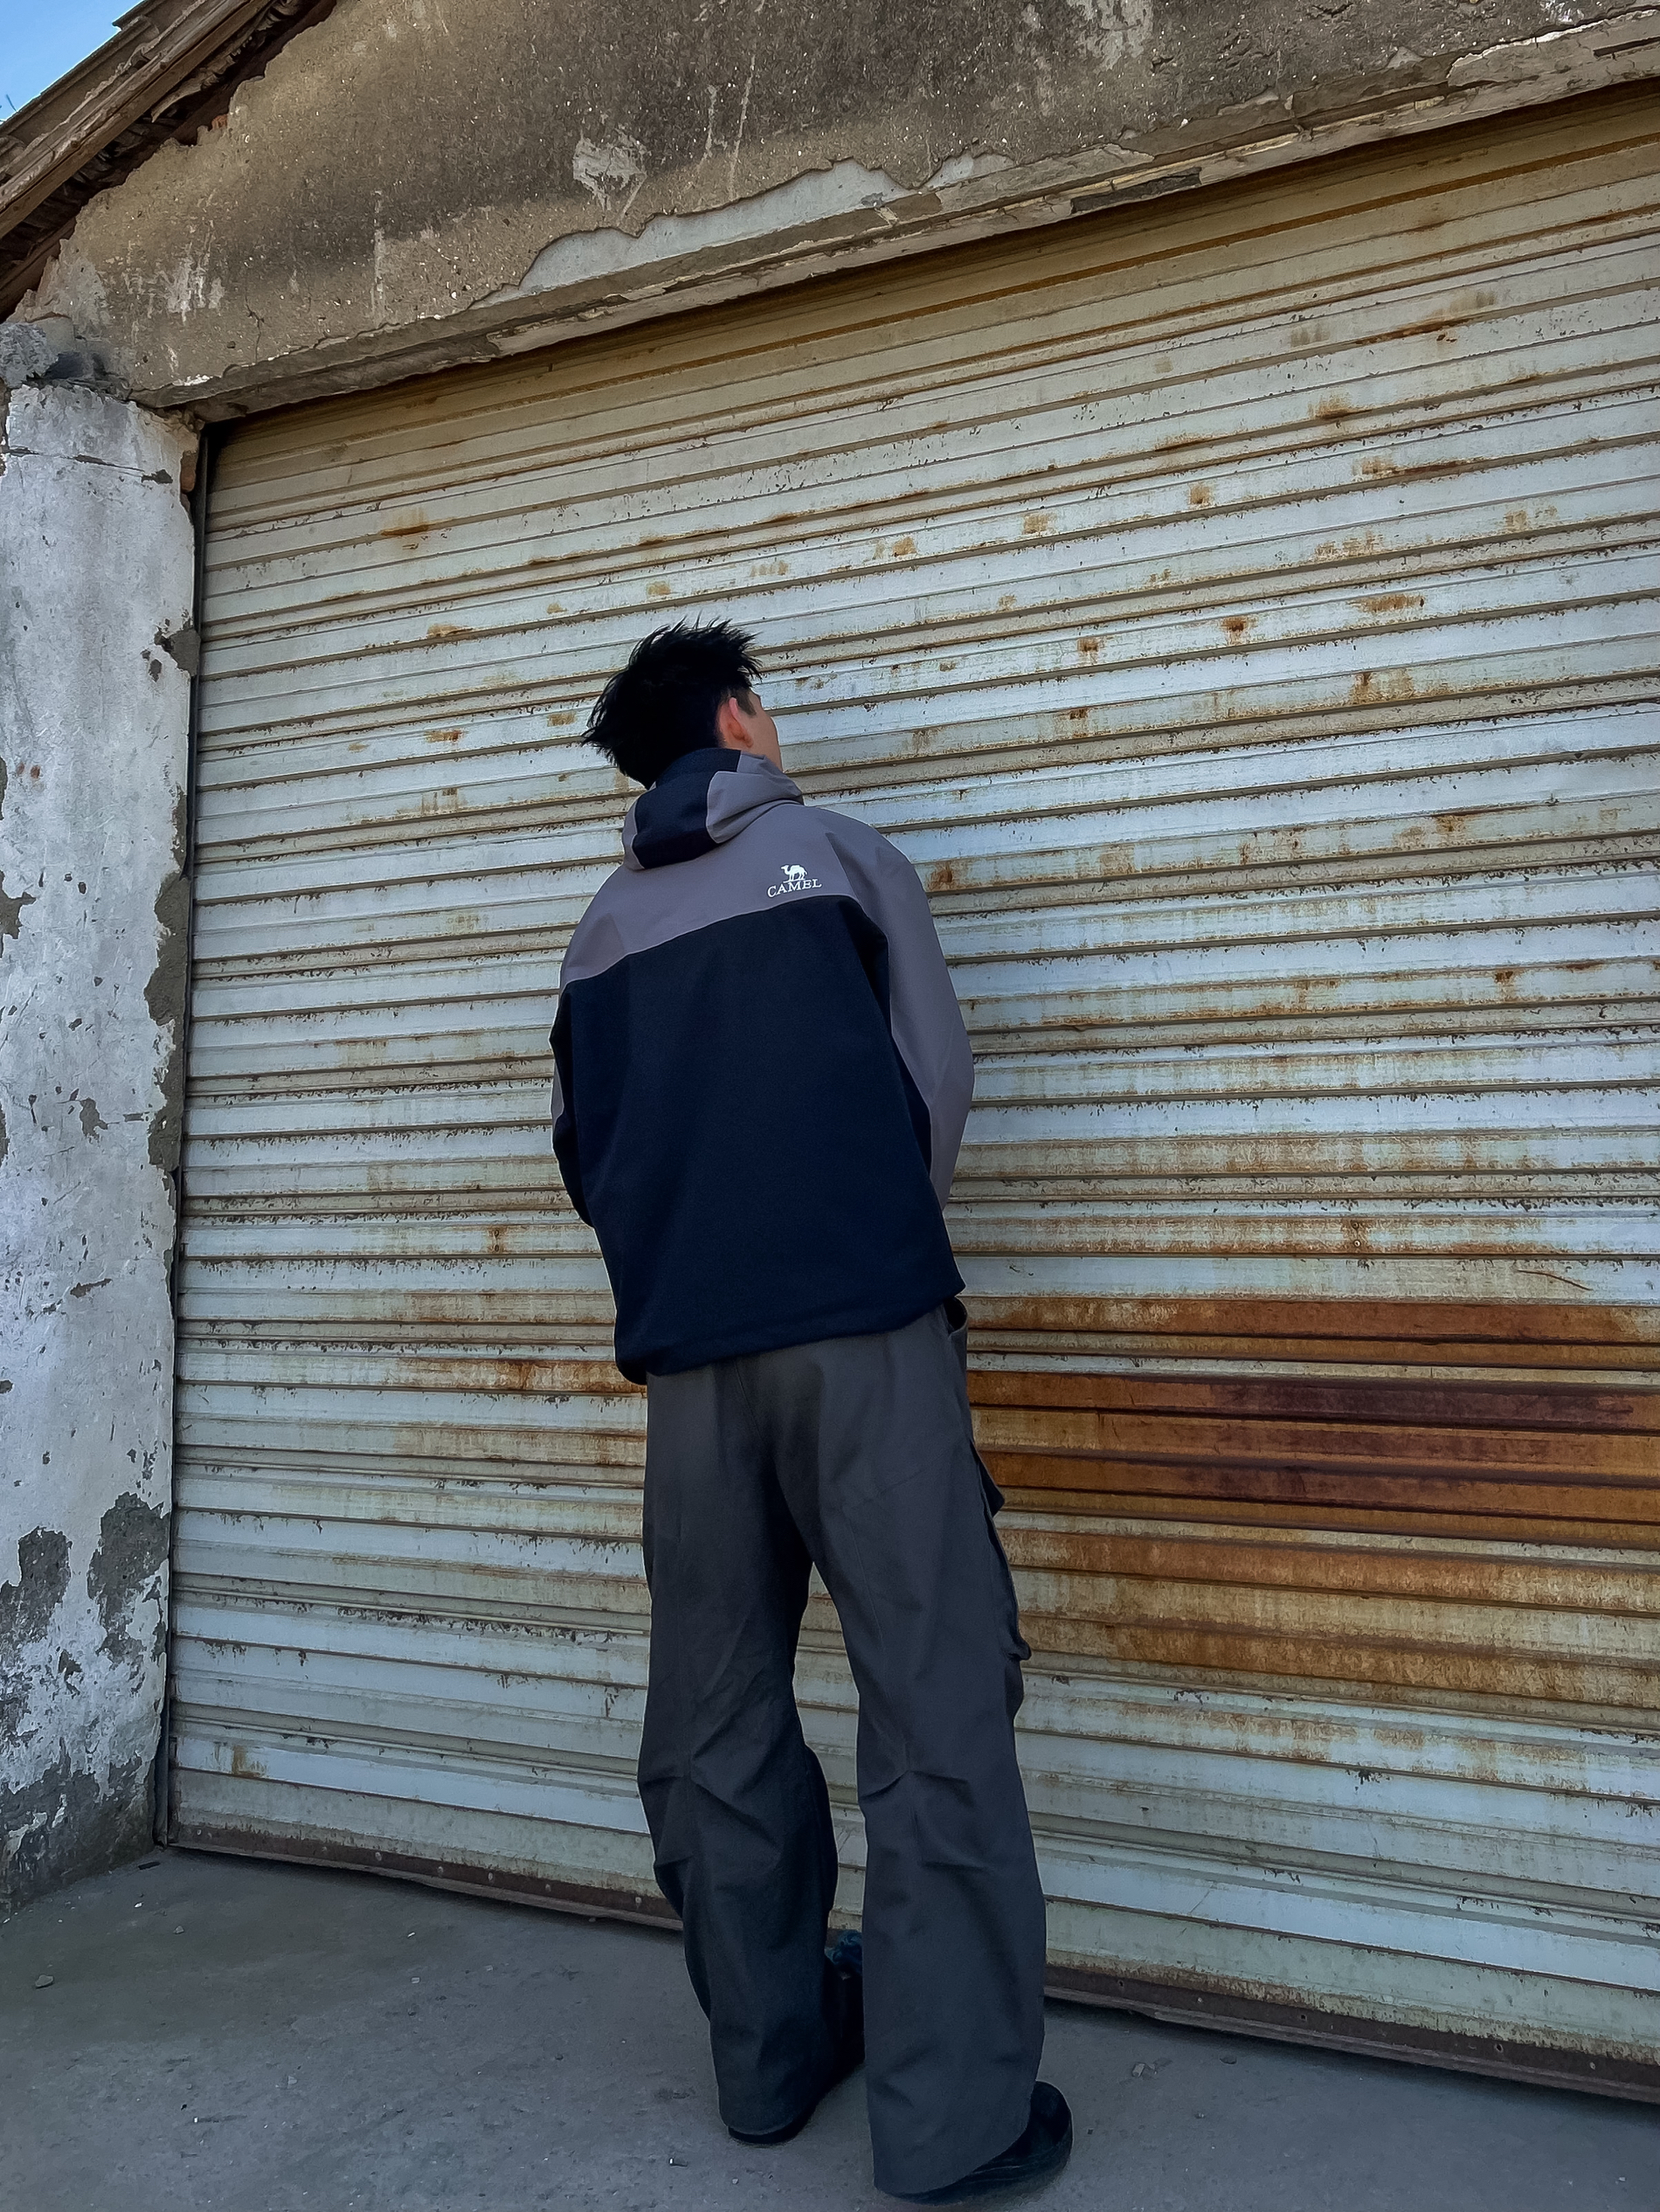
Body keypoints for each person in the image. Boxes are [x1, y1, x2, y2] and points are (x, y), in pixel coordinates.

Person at [550, 620, 1071, 2205]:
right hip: (864, 1339)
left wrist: (693, 1279)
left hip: (692, 1370)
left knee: (712, 1723)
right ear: (735, 721)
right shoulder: (841, 858)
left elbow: (584, 1152)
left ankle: (768, 2065)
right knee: (933, 1704)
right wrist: (868, 1250)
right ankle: (955, 2125)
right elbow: (936, 1076)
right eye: (763, 701)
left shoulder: (596, 933)